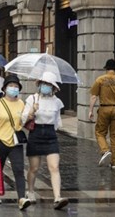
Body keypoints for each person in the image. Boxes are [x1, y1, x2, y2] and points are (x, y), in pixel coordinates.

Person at [0, 74, 30, 210]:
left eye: (16, 86)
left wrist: (32, 113)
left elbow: (24, 121)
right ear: (5, 88)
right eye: (11, 86)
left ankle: (21, 198)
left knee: (19, 169)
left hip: (15, 142)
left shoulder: (21, 103)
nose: (13, 88)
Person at [21, 71, 68, 210]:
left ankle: (57, 197)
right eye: (44, 83)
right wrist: (32, 112)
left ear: (53, 87)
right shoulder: (32, 99)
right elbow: (23, 119)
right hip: (35, 134)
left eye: (49, 84)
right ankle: (30, 190)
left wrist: (55, 128)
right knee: (34, 168)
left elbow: (58, 122)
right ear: (39, 84)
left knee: (54, 167)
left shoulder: (57, 102)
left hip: (50, 135)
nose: (46, 86)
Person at [88, 59, 115, 169]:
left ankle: (105, 150)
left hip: (104, 109)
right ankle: (114, 162)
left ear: (106, 68)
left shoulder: (100, 80)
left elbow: (93, 96)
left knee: (99, 132)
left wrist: (90, 111)